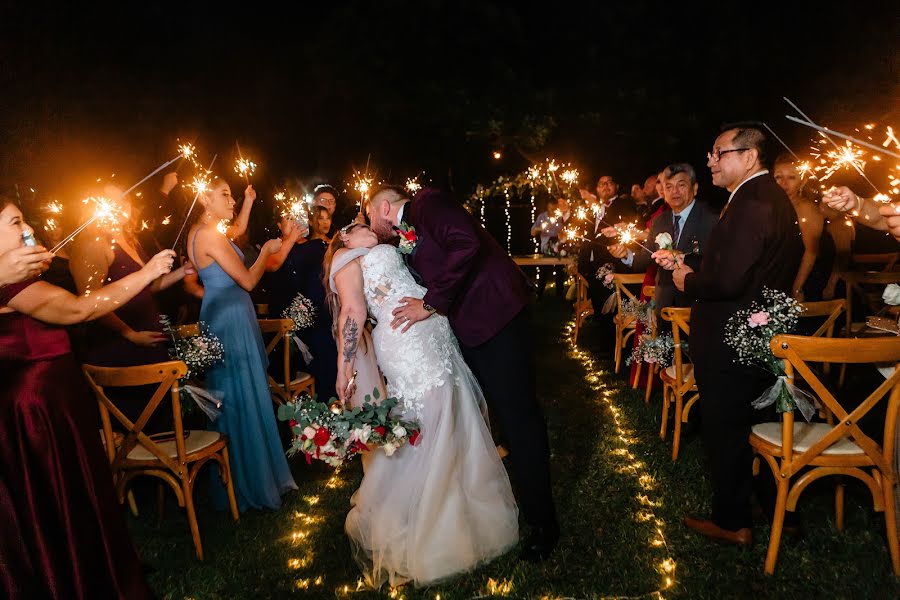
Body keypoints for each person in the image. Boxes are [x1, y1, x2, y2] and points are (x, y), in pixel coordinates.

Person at [366, 185, 558, 561]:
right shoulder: (411, 231)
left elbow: (466, 243)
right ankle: (516, 499)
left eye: (369, 215)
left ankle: (545, 524)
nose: (370, 224)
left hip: (498, 318)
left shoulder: (428, 202)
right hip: (473, 328)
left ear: (384, 206)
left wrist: (431, 303)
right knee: (503, 419)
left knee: (520, 420)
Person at [325, 221, 519, 587]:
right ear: (343, 238)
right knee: (430, 418)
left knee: (454, 408)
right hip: (406, 343)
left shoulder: (384, 248)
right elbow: (352, 312)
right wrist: (344, 365)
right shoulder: (344, 257)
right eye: (354, 225)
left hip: (435, 335)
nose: (364, 225)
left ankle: (462, 509)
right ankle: (425, 524)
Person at [0, 196, 173, 599]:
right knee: (56, 501)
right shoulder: (10, 284)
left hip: (56, 403)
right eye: (14, 222)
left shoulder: (15, 278)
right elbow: (79, 309)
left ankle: (88, 568)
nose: (27, 229)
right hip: (36, 414)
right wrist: (146, 272)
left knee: (72, 496)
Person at [673, 123, 803, 546]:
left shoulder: (753, 202)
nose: (710, 160)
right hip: (754, 333)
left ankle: (732, 521)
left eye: (718, 152)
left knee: (726, 430)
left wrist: (688, 280)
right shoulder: (763, 198)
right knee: (755, 422)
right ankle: (771, 506)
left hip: (732, 338)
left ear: (749, 156)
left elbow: (727, 281)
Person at [187, 178, 297, 512]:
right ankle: (252, 483)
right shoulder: (209, 236)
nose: (231, 201)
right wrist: (265, 251)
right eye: (225, 196)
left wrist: (248, 200)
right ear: (205, 199)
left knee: (235, 394)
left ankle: (237, 479)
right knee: (240, 395)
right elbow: (248, 280)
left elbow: (236, 229)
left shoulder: (204, 232)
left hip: (224, 316)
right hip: (230, 320)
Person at [70, 185, 194, 431]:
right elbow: (91, 303)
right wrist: (130, 335)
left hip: (149, 342)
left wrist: (184, 271)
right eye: (111, 202)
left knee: (164, 424)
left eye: (124, 200)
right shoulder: (92, 244)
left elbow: (149, 285)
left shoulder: (129, 240)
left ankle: (171, 468)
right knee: (137, 428)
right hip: (120, 348)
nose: (121, 206)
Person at [266, 206, 338, 400]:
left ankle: (329, 404)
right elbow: (272, 265)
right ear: (279, 225)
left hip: (311, 313)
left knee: (326, 346)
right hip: (284, 320)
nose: (294, 222)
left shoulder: (313, 246)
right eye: (288, 219)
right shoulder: (274, 245)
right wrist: (290, 239)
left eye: (297, 218)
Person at [773, 154, 835, 301]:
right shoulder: (774, 207)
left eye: (791, 177)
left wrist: (797, 287)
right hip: (781, 277)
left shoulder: (805, 208)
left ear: (803, 181)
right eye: (778, 177)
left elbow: (811, 252)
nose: (784, 183)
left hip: (806, 278)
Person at [529, 196, 570, 297]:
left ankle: (559, 295)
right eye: (550, 206)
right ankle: (540, 293)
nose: (552, 208)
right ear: (547, 206)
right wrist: (541, 228)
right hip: (545, 247)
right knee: (544, 271)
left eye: (554, 206)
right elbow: (532, 232)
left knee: (560, 271)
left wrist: (562, 234)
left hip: (559, 247)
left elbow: (566, 233)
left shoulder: (561, 217)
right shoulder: (542, 217)